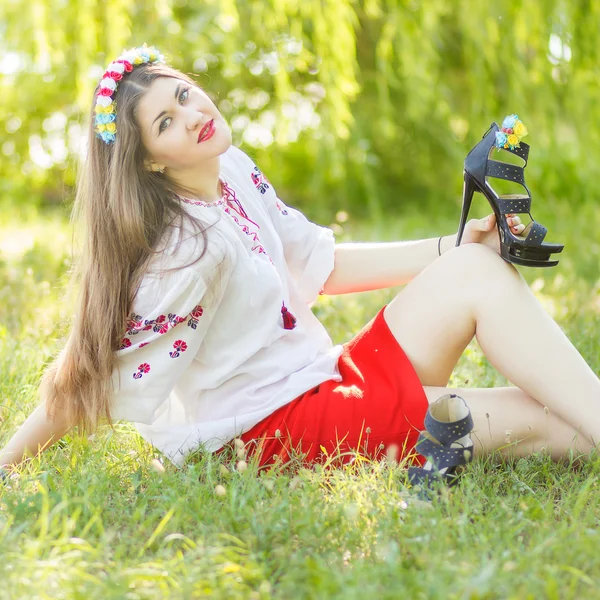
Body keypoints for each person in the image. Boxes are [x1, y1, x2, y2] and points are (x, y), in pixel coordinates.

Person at [1, 45, 599, 483]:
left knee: (476, 269)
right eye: (165, 123)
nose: (191, 114)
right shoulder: (186, 252)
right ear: (150, 161)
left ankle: (451, 438)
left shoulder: (230, 168)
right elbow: (97, 371)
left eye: (182, 94)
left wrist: (457, 244)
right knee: (551, 420)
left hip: (326, 376)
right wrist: (8, 462)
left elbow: (321, 264)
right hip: (275, 428)